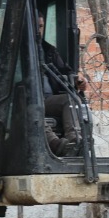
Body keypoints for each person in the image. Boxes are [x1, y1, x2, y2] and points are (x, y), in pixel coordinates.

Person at [37, 13, 86, 157]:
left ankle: (74, 140)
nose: (38, 30)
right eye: (35, 26)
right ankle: (55, 144)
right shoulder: (13, 51)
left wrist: (79, 79)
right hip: (23, 101)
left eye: (41, 26)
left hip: (47, 100)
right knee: (33, 107)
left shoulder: (49, 51)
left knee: (69, 98)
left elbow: (66, 71)